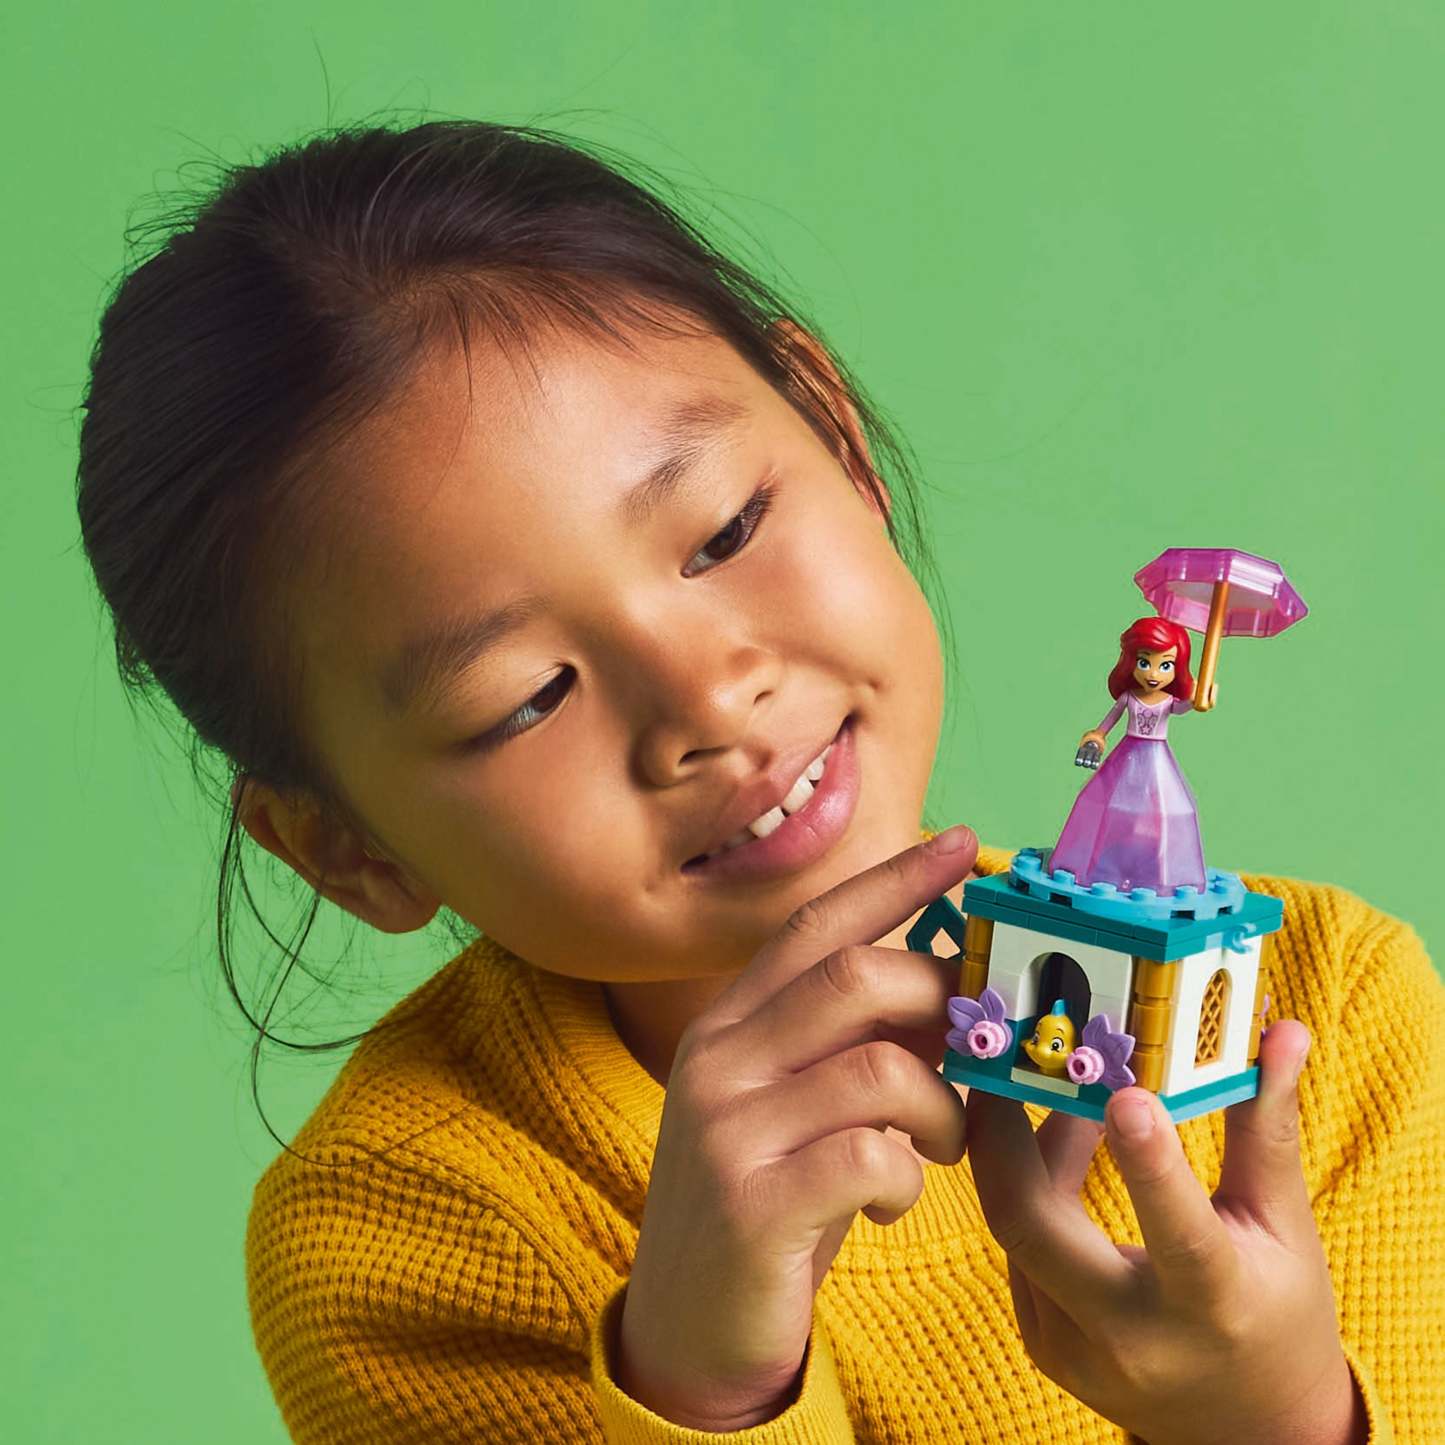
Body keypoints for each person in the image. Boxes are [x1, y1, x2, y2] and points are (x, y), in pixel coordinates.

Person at [74, 120, 1443, 1443]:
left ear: (837, 435)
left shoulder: (1317, 1011)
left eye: (723, 530)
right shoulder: (414, 1229)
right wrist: (699, 1385)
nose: (708, 698)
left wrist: (1276, 1423)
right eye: (524, 696)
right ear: (348, 852)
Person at [1050, 615, 1207, 894]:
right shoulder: (1129, 697)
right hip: (1126, 756)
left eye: (1165, 665)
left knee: (1161, 811)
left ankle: (1151, 868)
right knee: (1109, 805)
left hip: (1157, 759)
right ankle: (1099, 863)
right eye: (1144, 663)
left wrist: (1200, 694)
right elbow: (1107, 723)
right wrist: (1097, 736)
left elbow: (1186, 706)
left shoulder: (1168, 702)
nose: (1153, 674)